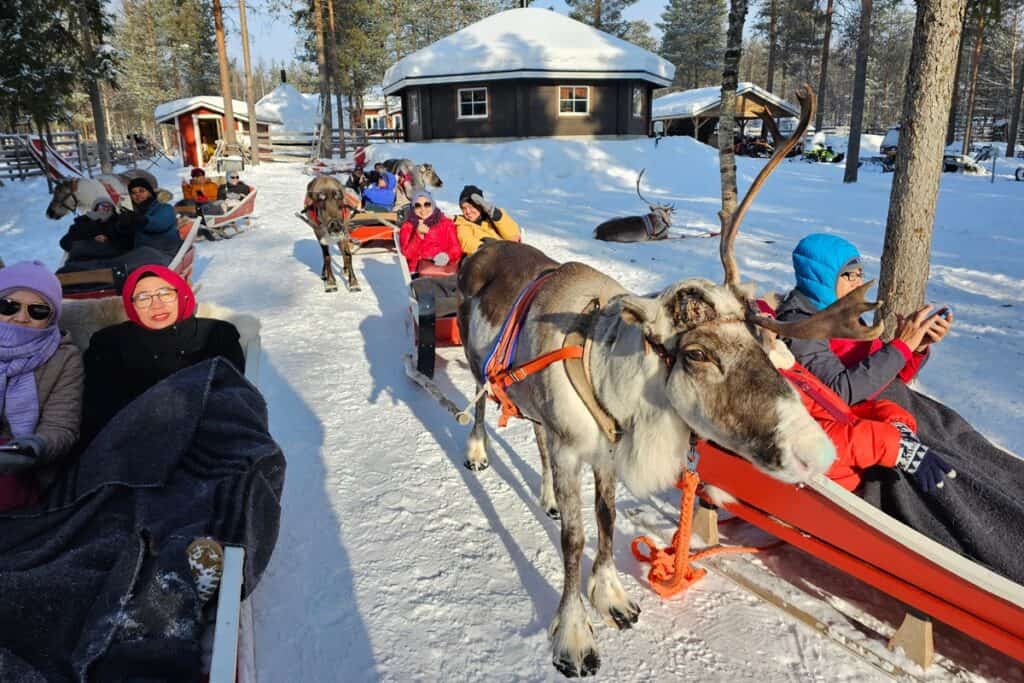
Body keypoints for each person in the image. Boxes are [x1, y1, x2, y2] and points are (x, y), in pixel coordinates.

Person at [767, 341, 1024, 585]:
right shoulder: (760, 390)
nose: (774, 334)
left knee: (971, 475)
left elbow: (843, 410)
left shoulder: (787, 368)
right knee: (969, 506)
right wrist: (894, 445)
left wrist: (895, 421)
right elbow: (806, 445)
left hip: (875, 457)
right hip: (865, 489)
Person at [775, 233, 949, 406]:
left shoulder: (839, 313)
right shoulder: (800, 327)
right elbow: (838, 392)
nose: (858, 284)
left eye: (860, 274)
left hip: (896, 404)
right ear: (822, 276)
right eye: (850, 275)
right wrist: (901, 347)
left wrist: (916, 346)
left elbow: (886, 378)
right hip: (872, 420)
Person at [81, 265, 244, 443]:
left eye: (165, 293)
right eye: (143, 298)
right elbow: (97, 411)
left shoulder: (217, 334)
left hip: (205, 440)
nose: (156, 305)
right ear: (131, 304)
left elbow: (231, 401)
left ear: (181, 294)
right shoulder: (108, 342)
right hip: (129, 444)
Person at [0, 261, 83, 511]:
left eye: (37, 311)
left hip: (24, 467)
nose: (21, 318)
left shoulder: (64, 358)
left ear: (51, 319)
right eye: (8, 306)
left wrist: (34, 448)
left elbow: (61, 426)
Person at [398, 190, 461, 275]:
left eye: (427, 204)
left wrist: (447, 256)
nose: (423, 209)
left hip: (443, 270)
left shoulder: (446, 223)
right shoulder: (408, 226)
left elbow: (456, 248)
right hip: (417, 273)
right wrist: (418, 235)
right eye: (417, 206)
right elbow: (407, 255)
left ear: (433, 204)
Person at [119, 177, 183, 258]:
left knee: (115, 266)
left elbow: (159, 223)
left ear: (150, 192)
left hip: (165, 253)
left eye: (141, 191)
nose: (137, 195)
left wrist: (139, 220)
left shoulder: (164, 207)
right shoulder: (137, 212)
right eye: (133, 193)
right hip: (145, 253)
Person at [454, 185, 520, 256]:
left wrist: (495, 214)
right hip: (486, 260)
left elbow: (514, 235)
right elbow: (467, 243)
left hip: (507, 256)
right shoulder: (462, 223)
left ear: (480, 206)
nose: (468, 212)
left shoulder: (493, 218)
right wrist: (488, 248)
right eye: (464, 208)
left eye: (471, 207)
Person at [59, 198, 129, 261]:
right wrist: (91, 240)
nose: (106, 208)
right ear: (96, 207)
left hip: (109, 260)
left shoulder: (118, 221)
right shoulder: (83, 220)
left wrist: (108, 239)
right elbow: (65, 241)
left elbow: (125, 242)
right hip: (83, 261)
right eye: (102, 206)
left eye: (109, 206)